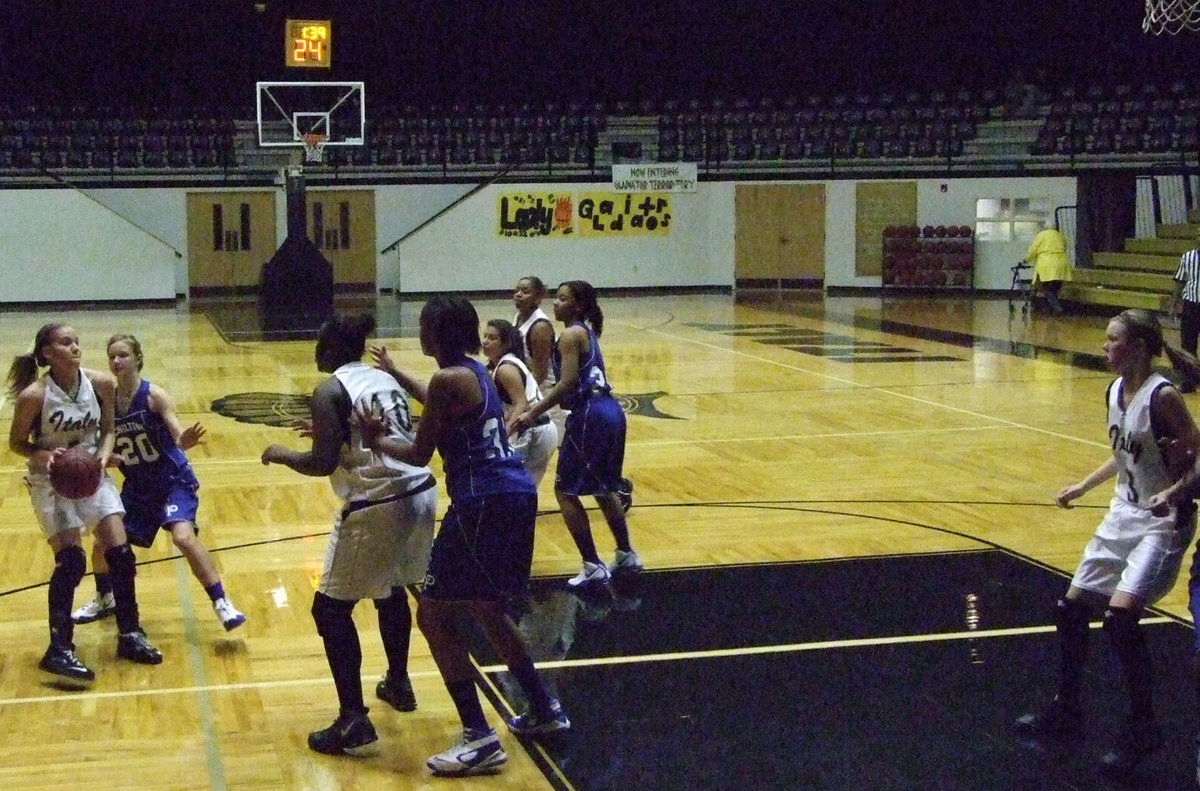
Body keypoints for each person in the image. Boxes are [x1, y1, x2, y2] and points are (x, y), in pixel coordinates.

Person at [365, 295, 569, 777]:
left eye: (422, 326)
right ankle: (544, 709)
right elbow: (437, 402)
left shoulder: (447, 378)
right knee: (487, 610)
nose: (418, 332)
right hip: (514, 494)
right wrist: (397, 374)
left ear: (435, 334)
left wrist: (374, 439)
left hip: (482, 502)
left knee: (433, 615)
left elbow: (417, 453)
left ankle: (479, 737)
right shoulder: (476, 371)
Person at [1013, 309, 1200, 777]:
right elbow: (1124, 455)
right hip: (1122, 514)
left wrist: (1174, 492)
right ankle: (1068, 707)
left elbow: (1199, 458)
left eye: (1111, 340)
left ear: (1136, 347)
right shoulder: (1115, 391)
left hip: (1163, 522)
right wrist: (1082, 486)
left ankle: (1143, 727)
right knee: (1071, 609)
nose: (1103, 347)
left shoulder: (1164, 398)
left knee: (1119, 620)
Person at [261, 314, 437, 756]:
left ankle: (353, 719)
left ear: (331, 348)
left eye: (319, 341)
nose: (315, 350)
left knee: (329, 610)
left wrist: (283, 454)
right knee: (390, 588)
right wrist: (332, 438)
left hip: (378, 501)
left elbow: (322, 463)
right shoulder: (380, 380)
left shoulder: (329, 389)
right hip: (420, 491)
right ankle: (398, 682)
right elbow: (364, 438)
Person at [6, 323, 162, 687]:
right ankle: (58, 648)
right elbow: (16, 443)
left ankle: (130, 634)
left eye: (77, 341)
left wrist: (101, 459)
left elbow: (108, 430)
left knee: (120, 553)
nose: (75, 347)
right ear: (47, 353)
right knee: (72, 561)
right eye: (65, 342)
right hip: (51, 482)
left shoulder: (100, 383)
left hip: (91, 475)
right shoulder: (34, 395)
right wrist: (42, 453)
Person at [71, 334, 245, 632]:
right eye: (112, 356)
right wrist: (109, 457)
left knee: (182, 538)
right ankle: (104, 597)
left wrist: (184, 440)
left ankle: (222, 602)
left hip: (171, 481)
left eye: (123, 355)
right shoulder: (107, 399)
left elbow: (177, 435)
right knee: (102, 543)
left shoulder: (154, 396)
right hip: (138, 487)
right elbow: (105, 433)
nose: (116, 361)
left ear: (138, 358)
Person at [510, 280, 641, 589]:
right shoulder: (587, 332)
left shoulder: (569, 334)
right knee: (603, 488)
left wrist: (532, 411)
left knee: (565, 491)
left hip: (590, 415)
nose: (556, 303)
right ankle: (625, 553)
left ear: (578, 306)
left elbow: (566, 383)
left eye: (563, 299)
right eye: (556, 298)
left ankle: (592, 563)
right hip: (611, 412)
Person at [481, 318, 557, 486]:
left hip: (534, 431)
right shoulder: (500, 365)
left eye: (492, 338)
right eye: (485, 336)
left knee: (511, 487)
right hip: (541, 429)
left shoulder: (505, 368)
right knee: (524, 490)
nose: (485, 341)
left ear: (505, 343)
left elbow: (520, 404)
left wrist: (503, 436)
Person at [1170, 229, 1200, 393]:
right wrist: (1174, 303)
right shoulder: (1187, 257)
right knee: (1188, 345)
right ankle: (1189, 381)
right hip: (1191, 305)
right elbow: (1180, 281)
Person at [1023, 221, 1072, 315]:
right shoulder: (1060, 235)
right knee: (1055, 287)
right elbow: (1065, 247)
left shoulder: (1041, 235)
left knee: (1046, 288)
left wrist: (1026, 260)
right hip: (1061, 263)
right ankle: (1052, 308)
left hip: (1047, 264)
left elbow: (1033, 250)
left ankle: (1057, 308)